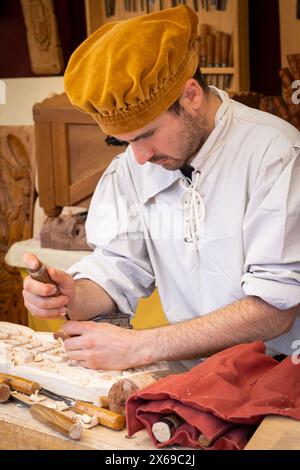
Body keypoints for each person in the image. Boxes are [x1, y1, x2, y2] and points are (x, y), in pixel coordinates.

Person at [23, 5, 300, 371]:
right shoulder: (133, 167)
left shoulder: (275, 153)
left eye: (146, 135)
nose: (138, 158)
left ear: (190, 95)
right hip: (195, 376)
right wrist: (72, 293)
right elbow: (120, 267)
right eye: (123, 141)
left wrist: (142, 345)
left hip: (279, 376)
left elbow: (274, 309)